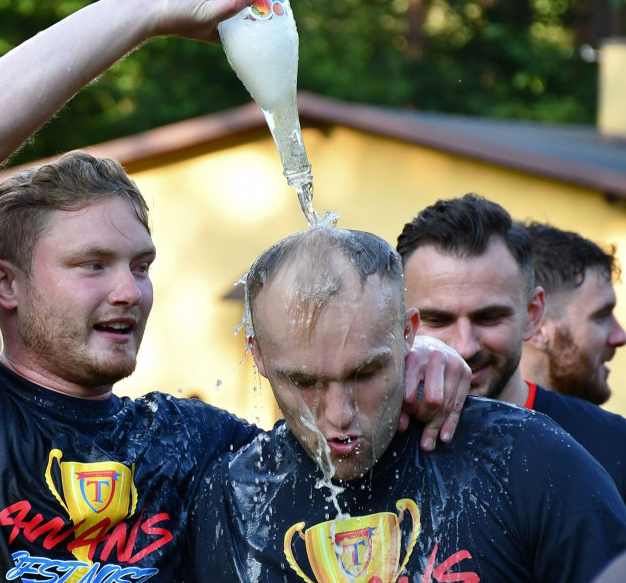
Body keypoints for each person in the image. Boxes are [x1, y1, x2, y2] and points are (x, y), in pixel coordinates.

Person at [0, 0, 471, 581]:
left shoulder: (193, 444)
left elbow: (339, 430)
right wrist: (144, 9)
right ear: (4, 283)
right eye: (92, 266)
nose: (129, 292)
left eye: (140, 265)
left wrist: (406, 362)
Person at [186, 226, 626, 583]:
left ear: (408, 333)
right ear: (257, 354)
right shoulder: (229, 498)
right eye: (304, 381)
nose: (339, 415)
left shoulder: (529, 460)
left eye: (365, 373)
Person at [397, 194, 626, 498]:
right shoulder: (365, 437)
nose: (465, 347)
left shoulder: (612, 447)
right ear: (398, 322)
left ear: (533, 314)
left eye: (489, 318)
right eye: (438, 320)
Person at [520, 223, 625, 405]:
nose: (620, 336)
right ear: (536, 326)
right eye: (600, 316)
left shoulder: (611, 431)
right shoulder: (462, 427)